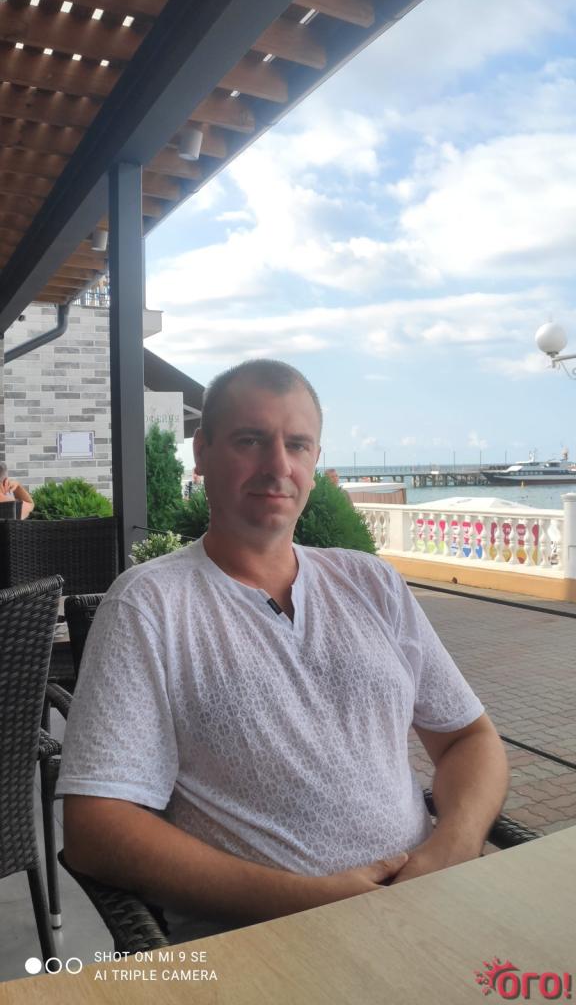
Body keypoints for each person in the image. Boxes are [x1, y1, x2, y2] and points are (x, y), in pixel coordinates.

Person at [57, 359, 508, 943]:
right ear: (202, 452)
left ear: (315, 461)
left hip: (425, 907)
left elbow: (470, 739)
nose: (278, 467)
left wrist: (453, 847)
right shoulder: (149, 604)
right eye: (250, 440)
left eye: (297, 445)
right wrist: (306, 901)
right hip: (263, 940)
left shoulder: (371, 582)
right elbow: (95, 828)